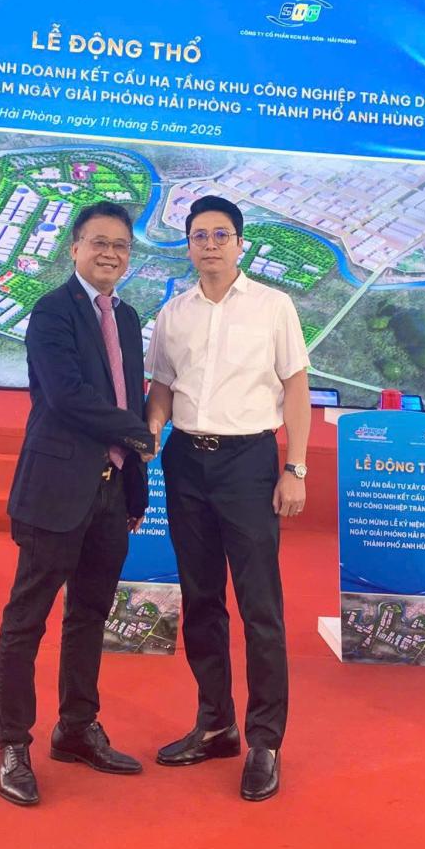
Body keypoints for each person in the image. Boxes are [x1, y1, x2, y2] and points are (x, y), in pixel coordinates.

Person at [146, 195, 310, 801]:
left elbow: (296, 387)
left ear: (240, 243)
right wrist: (152, 429)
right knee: (201, 600)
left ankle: (266, 741)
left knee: (260, 605)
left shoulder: (274, 306)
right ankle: (216, 723)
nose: (210, 244)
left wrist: (294, 468)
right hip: (186, 462)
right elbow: (162, 386)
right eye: (199, 235)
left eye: (221, 234)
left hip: (249, 463)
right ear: (188, 244)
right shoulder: (174, 313)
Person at [0, 200, 156, 806]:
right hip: (56, 490)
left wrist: (135, 482)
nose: (111, 254)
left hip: (112, 494)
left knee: (90, 615)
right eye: (99, 243)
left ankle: (77, 728)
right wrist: (138, 434)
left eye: (121, 246)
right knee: (26, 620)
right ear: (76, 248)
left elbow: (130, 396)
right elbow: (66, 396)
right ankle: (12, 742)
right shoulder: (52, 311)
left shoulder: (128, 317)